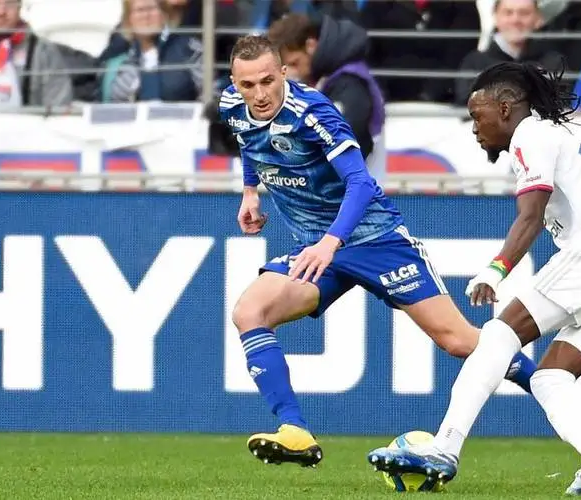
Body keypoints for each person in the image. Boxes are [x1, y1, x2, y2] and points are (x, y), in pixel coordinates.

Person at [367, 61, 581, 495]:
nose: (474, 127)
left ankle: (444, 448)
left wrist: (496, 268)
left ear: (505, 109)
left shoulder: (530, 136)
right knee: (549, 376)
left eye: (477, 115)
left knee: (498, 335)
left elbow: (532, 214)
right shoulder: (567, 137)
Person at [219, 35, 540, 467]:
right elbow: (250, 142)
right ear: (234, 83)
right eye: (247, 85)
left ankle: (553, 389)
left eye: (266, 82)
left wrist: (331, 241)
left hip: (374, 239)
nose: (258, 94)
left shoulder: (313, 113)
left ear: (284, 73)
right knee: (249, 312)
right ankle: (295, 431)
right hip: (316, 248)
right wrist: (250, 191)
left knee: (459, 341)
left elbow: (361, 183)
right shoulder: (232, 106)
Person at [267, 13, 388, 184]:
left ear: (310, 45)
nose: (294, 73)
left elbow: (343, 145)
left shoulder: (349, 84)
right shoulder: (328, 80)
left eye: (295, 63)